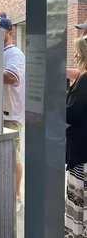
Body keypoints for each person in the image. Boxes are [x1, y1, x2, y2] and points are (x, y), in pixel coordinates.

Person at [0, 18, 25, 213]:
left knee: (13, 156)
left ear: (9, 33)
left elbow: (13, 77)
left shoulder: (14, 54)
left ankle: (17, 195)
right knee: (1, 156)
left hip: (11, 115)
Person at [65, 36, 87, 237]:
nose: (75, 55)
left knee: (79, 199)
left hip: (81, 154)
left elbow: (69, 115)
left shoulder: (85, 80)